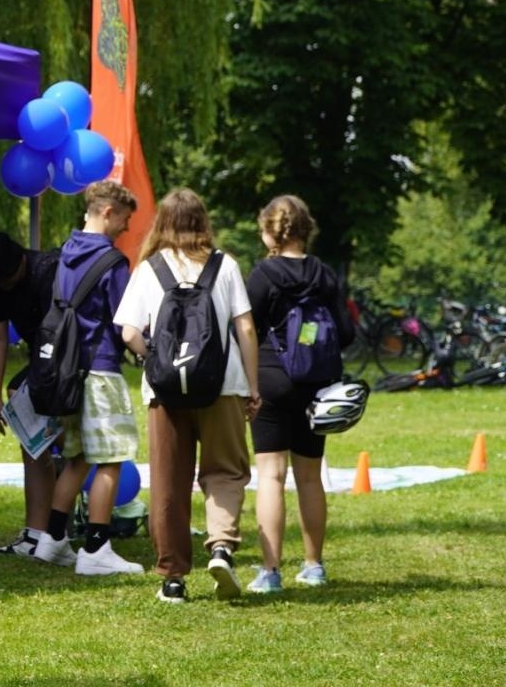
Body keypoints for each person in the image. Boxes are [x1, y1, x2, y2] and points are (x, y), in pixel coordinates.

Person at [114, 187, 260, 603]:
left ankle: (173, 578)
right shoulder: (225, 266)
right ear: (203, 222)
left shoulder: (149, 269)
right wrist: (253, 385)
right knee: (225, 471)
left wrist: (153, 359)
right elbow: (245, 328)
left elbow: (128, 332)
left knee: (168, 482)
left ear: (162, 222)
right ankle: (220, 546)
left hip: (166, 391)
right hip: (223, 385)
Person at [32, 181, 145, 576]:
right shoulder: (113, 262)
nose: (126, 229)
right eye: (125, 220)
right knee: (112, 457)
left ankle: (53, 539)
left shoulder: (66, 252)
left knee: (77, 458)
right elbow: (123, 320)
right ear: (108, 212)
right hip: (100, 368)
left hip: (68, 371)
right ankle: (96, 547)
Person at [244, 194, 356, 594]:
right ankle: (313, 565)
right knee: (310, 477)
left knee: (271, 476)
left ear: (271, 231)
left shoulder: (263, 275)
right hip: (317, 384)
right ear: (305, 228)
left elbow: (246, 330)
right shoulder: (325, 274)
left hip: (272, 379)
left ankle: (270, 571)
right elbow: (345, 332)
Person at [0, 230, 61, 556]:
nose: (6, 288)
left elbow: (62, 331)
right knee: (30, 436)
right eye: (0, 284)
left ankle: (77, 519)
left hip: (64, 358)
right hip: (40, 362)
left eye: (10, 280)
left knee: (73, 445)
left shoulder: (48, 271)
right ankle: (35, 534)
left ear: (21, 260)